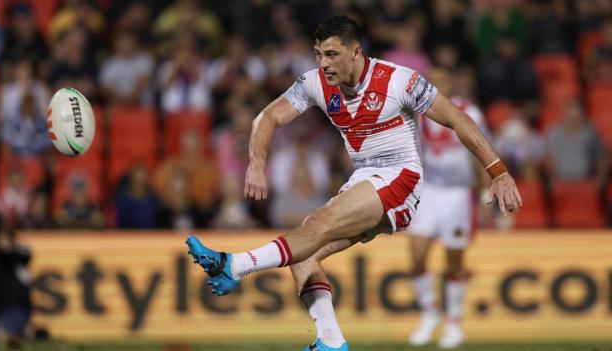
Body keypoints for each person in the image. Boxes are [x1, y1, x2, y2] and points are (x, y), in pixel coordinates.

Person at [186, 15, 522, 351]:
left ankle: (235, 265)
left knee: (318, 224)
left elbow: (456, 119)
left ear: (356, 52)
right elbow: (269, 116)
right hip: (363, 178)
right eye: (318, 54)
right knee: (304, 252)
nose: (324, 63)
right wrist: (257, 164)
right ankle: (332, 341)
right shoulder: (315, 83)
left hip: (401, 178)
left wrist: (498, 172)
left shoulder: (398, 81)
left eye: (332, 54)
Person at [406, 68, 488, 349]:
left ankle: (454, 323)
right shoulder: (420, 115)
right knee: (417, 255)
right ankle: (430, 311)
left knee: (454, 260)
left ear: (450, 85)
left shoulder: (470, 113)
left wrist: (487, 189)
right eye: (432, 84)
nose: (435, 88)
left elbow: (481, 149)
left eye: (440, 83)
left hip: (458, 195)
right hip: (429, 192)